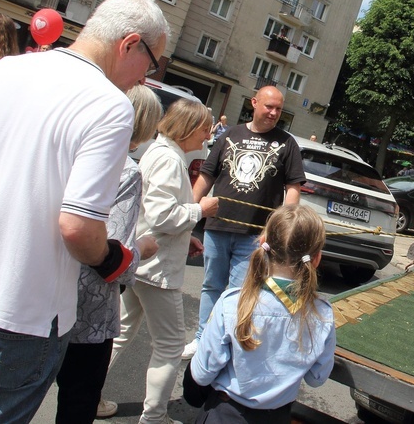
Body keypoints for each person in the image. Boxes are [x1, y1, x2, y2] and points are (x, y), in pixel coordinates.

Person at [0, 0, 169, 423]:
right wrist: (114, 258)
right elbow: (77, 227)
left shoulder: (6, 70)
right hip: (25, 311)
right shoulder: (109, 105)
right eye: (151, 63)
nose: (145, 78)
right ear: (129, 44)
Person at [104, 99, 219, 424]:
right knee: (169, 346)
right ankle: (153, 417)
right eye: (205, 129)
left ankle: (91, 395)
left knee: (121, 332)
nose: (208, 136)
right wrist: (201, 211)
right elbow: (162, 215)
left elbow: (156, 214)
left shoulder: (160, 151)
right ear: (190, 128)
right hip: (156, 271)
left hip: (143, 262)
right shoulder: (169, 159)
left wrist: (187, 238)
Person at [55, 84, 163, 424]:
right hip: (86, 307)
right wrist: (143, 248)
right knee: (78, 398)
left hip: (41, 288)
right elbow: (111, 251)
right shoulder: (127, 170)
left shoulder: (67, 147)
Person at [182, 86, 306, 360]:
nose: (274, 113)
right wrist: (189, 210)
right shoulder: (231, 134)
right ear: (254, 103)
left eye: (278, 109)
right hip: (218, 227)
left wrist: (277, 230)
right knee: (212, 287)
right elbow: (206, 176)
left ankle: (226, 344)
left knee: (241, 293)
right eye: (269, 106)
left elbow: (293, 189)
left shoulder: (287, 143)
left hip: (255, 235)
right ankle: (203, 340)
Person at [188, 204, 335, 423]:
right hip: (276, 417)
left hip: (225, 413)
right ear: (316, 258)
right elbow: (317, 377)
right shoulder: (322, 315)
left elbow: (202, 373)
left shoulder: (233, 303)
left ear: (262, 240)